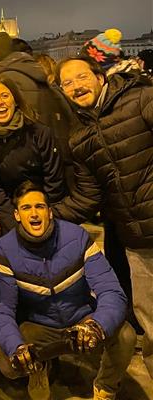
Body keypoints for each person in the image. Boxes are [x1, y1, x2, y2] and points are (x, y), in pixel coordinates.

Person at [54, 56, 153, 378]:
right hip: (137, 242)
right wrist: (46, 215)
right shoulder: (79, 138)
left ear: (100, 77)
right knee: (151, 327)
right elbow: (88, 196)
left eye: (81, 77)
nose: (76, 87)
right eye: (67, 83)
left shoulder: (141, 99)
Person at [0, 181, 135, 400]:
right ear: (17, 215)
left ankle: (105, 388)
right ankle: (38, 367)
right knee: (7, 363)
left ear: (49, 212)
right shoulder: (6, 250)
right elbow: (2, 309)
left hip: (82, 321)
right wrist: (16, 347)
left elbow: (111, 291)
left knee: (125, 335)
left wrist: (96, 326)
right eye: (26, 208)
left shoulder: (77, 237)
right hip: (40, 326)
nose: (34, 214)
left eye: (39, 206)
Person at [0, 31, 75, 182]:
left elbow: (21, 127)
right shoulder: (30, 72)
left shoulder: (6, 80)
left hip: (29, 164)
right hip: (51, 154)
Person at [0, 76, 65, 233]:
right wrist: (11, 220)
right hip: (10, 211)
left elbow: (54, 178)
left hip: (44, 208)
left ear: (15, 100)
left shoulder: (39, 132)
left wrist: (44, 213)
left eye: (5, 96)